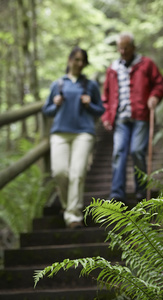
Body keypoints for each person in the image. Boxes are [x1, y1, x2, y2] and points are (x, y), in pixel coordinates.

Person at [42, 46, 105, 228]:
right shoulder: (58, 84)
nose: (79, 63)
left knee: (77, 173)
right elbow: (46, 110)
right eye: (76, 59)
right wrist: (55, 104)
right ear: (69, 60)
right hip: (60, 133)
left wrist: (89, 104)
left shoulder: (90, 85)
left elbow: (100, 109)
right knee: (60, 172)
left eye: (82, 60)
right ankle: (67, 205)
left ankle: (73, 215)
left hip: (83, 133)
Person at [101, 32, 163, 202]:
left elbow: (159, 84)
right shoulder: (112, 69)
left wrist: (154, 96)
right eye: (120, 48)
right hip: (120, 118)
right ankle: (117, 193)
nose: (122, 51)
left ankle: (141, 190)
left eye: (125, 48)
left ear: (133, 47)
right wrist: (107, 117)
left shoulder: (146, 64)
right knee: (118, 152)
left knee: (137, 151)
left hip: (141, 116)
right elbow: (106, 96)